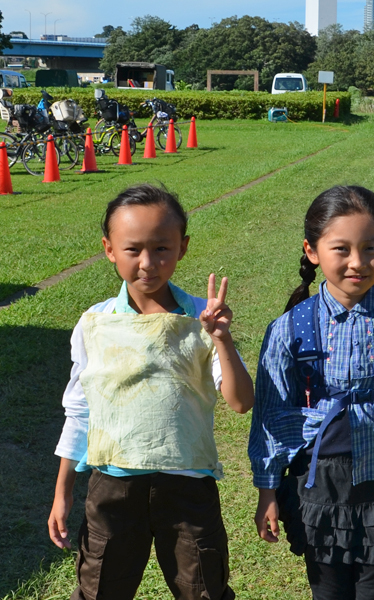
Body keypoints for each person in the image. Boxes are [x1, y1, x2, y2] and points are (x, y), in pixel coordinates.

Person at [47, 183, 254, 600]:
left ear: (183, 247)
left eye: (162, 248)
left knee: (204, 591)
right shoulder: (95, 323)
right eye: (133, 249)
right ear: (108, 249)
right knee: (99, 589)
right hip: (113, 486)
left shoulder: (202, 317)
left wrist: (222, 340)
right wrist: (63, 490)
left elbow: (240, 401)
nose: (148, 262)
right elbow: (81, 410)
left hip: (187, 487)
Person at [249, 185, 374, 600]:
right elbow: (272, 417)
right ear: (312, 251)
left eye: (371, 248)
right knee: (327, 592)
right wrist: (267, 490)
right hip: (317, 489)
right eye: (341, 249)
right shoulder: (289, 328)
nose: (358, 262)